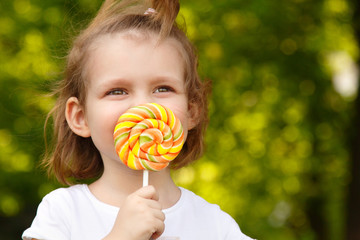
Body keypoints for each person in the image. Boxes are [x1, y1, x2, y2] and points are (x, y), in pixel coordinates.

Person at [22, 0, 254, 239]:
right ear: (80, 117)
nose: (143, 105)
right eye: (117, 91)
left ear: (191, 111)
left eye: (163, 89)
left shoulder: (213, 224)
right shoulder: (63, 212)